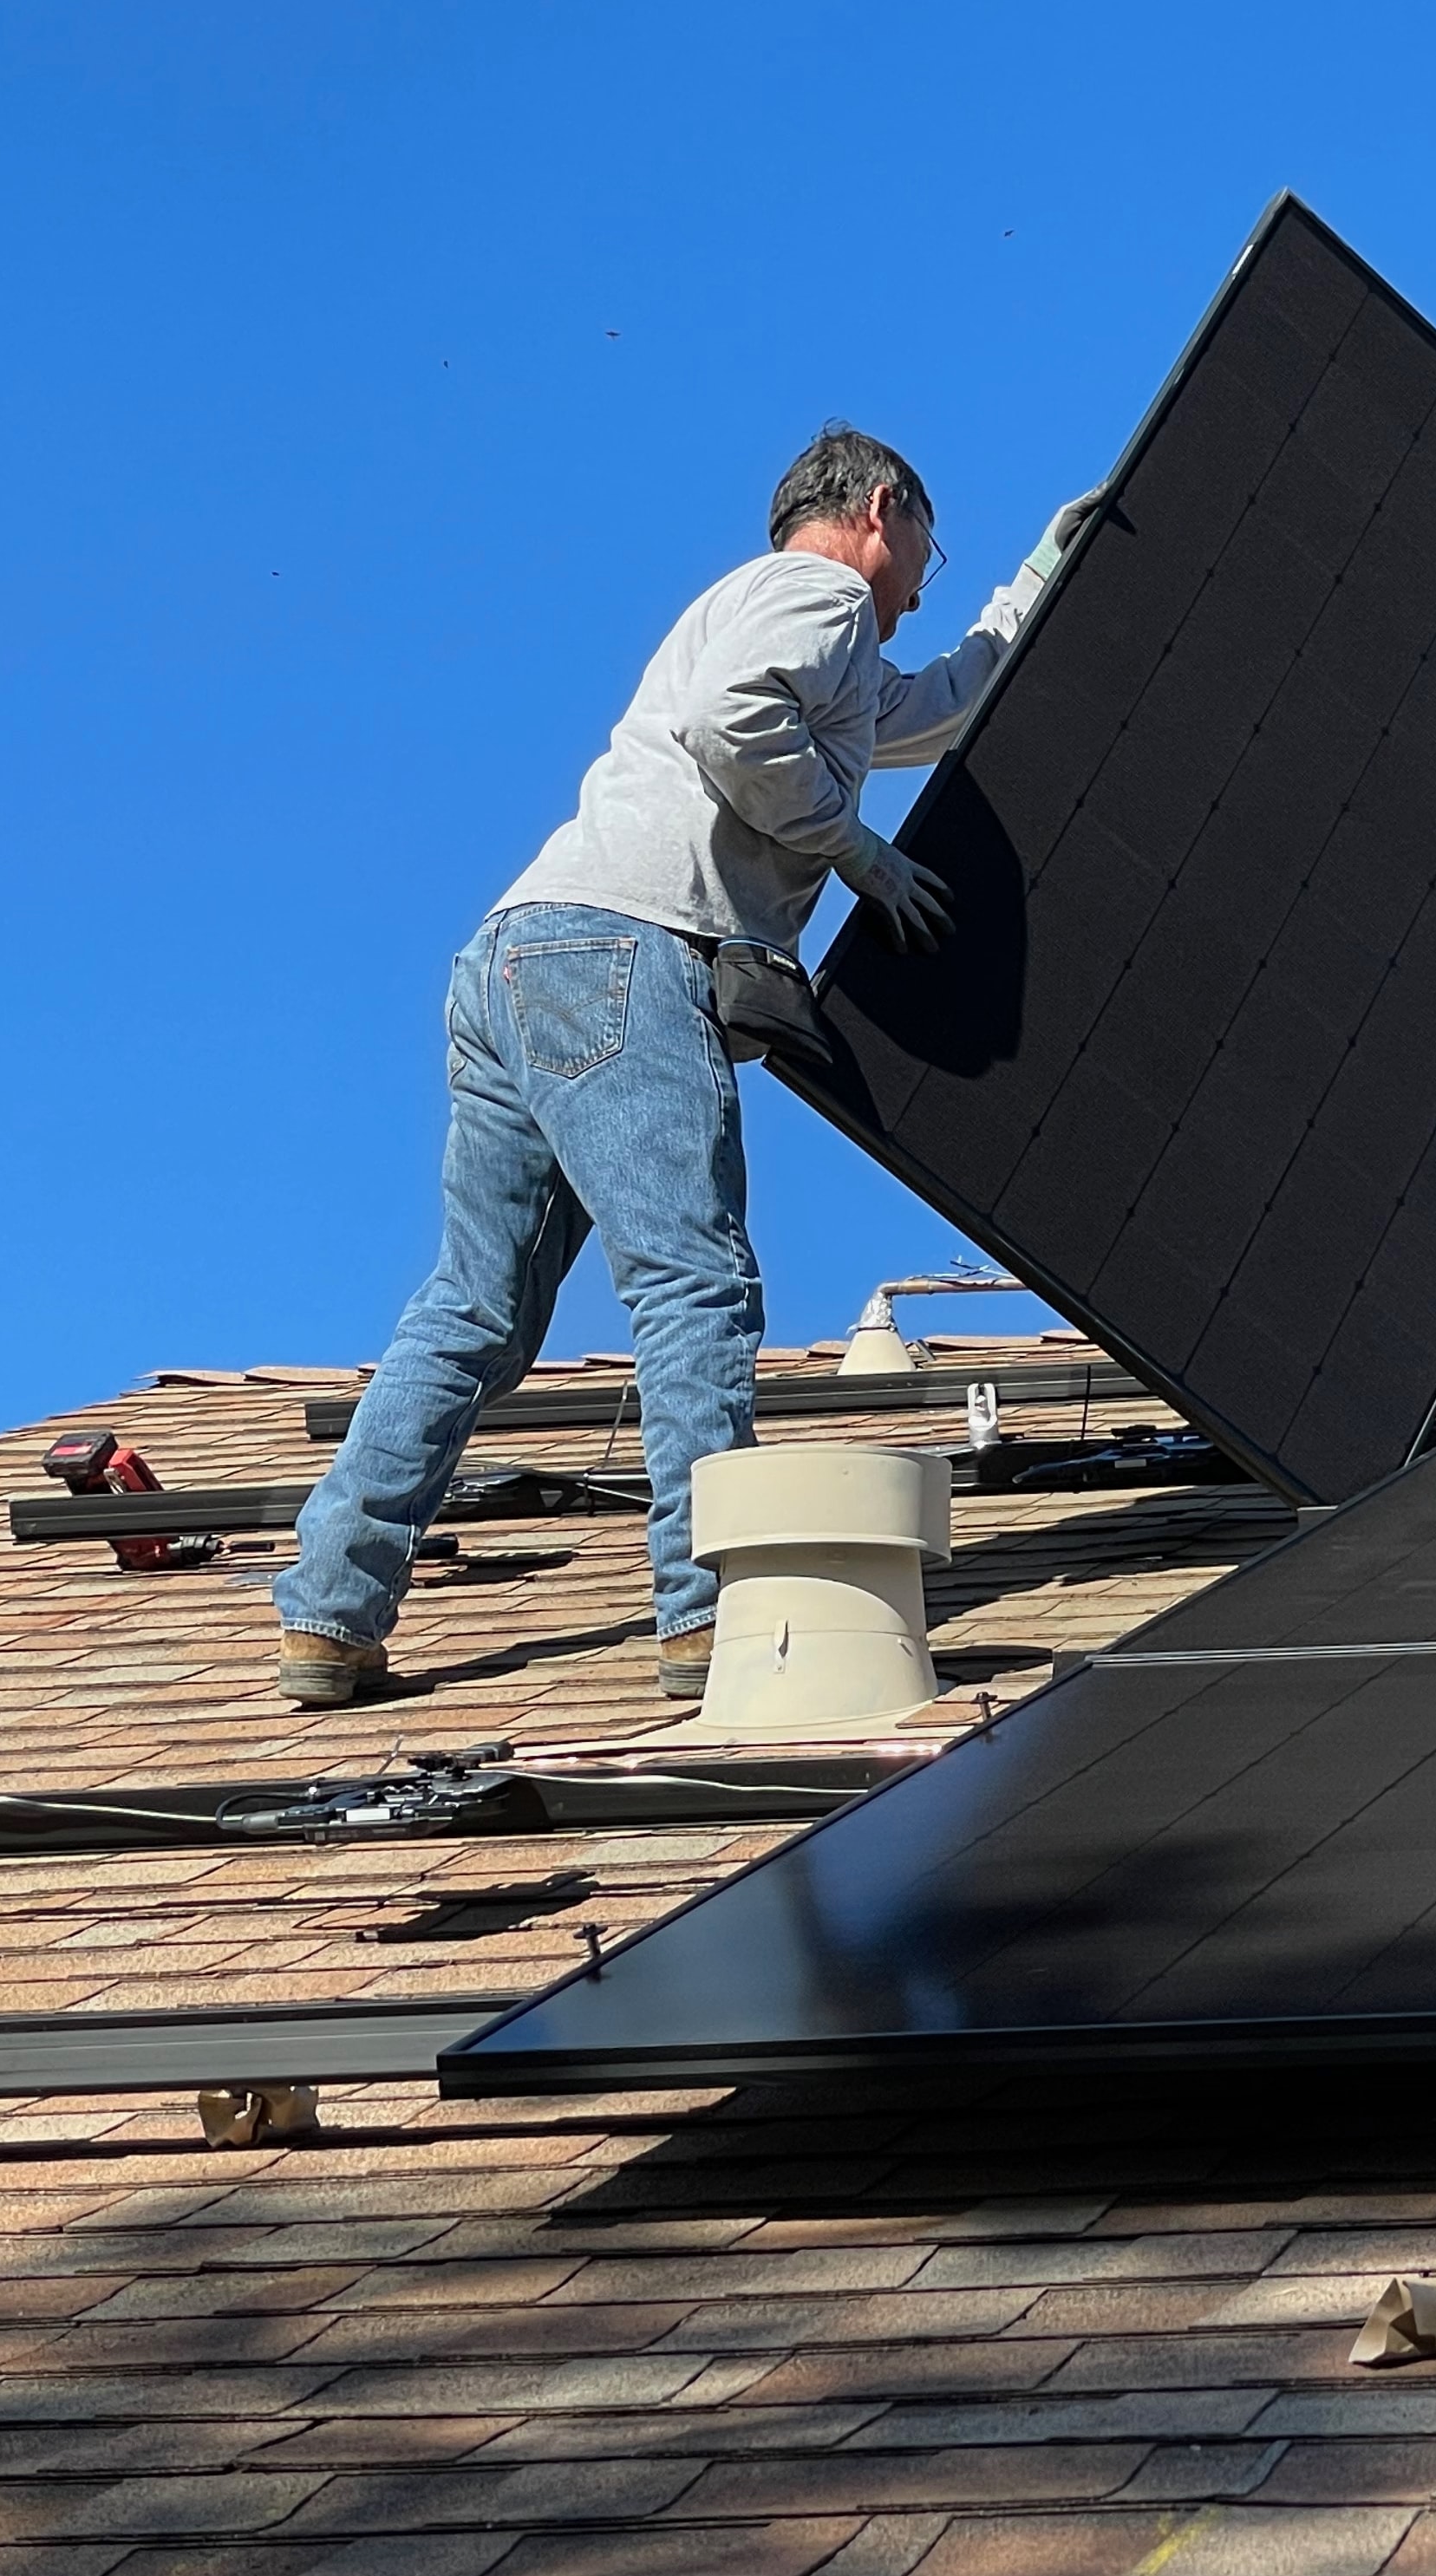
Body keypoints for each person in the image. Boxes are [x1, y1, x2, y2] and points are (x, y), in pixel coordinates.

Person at [273, 426, 1098, 1707]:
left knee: (473, 1312)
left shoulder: (784, 622)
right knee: (693, 1280)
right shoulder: (817, 595)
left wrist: (1041, 576)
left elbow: (931, 711)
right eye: (935, 541)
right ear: (883, 509)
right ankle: (708, 1619)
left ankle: (329, 1608)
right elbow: (733, 725)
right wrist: (858, 856)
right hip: (625, 952)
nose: (932, 572)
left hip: (516, 959)